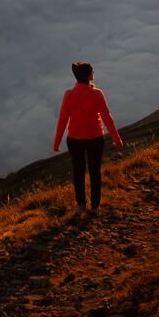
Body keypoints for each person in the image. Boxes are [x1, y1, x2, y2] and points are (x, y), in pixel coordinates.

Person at [53, 61, 123, 213]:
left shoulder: (69, 95)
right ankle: (95, 206)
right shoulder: (97, 94)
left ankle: (81, 204)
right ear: (89, 75)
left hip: (74, 140)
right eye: (92, 71)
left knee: (78, 172)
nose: (94, 73)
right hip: (95, 139)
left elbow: (63, 119)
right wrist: (117, 139)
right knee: (94, 172)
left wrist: (57, 142)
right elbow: (107, 118)